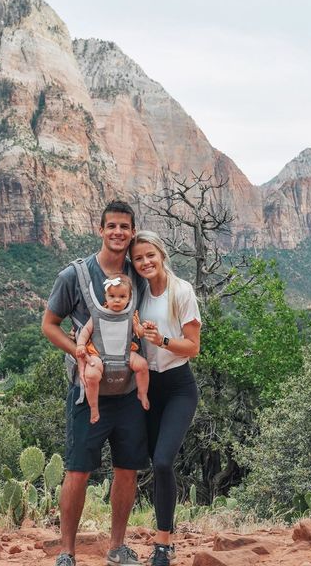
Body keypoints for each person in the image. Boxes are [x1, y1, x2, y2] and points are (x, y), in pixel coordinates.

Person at [42, 201, 149, 566]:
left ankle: (117, 547)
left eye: (125, 227)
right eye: (112, 226)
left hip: (130, 393)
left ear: (132, 232)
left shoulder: (140, 276)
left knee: (128, 468)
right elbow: (49, 325)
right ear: (100, 230)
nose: (118, 233)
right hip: (87, 393)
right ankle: (67, 552)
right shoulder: (74, 276)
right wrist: (79, 352)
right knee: (77, 470)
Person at [129, 230, 201, 566]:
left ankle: (163, 545)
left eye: (150, 255)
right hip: (147, 387)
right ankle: (142, 538)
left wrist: (162, 341)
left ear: (161, 254)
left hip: (178, 388)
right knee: (144, 462)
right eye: (138, 258)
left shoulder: (181, 291)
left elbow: (194, 347)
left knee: (162, 462)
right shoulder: (137, 293)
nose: (145, 262)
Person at [76, 273, 150, 423]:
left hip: (125, 353)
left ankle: (142, 393)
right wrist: (81, 345)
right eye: (112, 296)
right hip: (98, 353)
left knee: (142, 365)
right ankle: (94, 408)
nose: (117, 300)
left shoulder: (131, 315)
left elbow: (139, 333)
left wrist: (145, 328)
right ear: (106, 296)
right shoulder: (98, 313)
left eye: (122, 296)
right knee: (91, 375)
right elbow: (85, 331)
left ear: (129, 297)